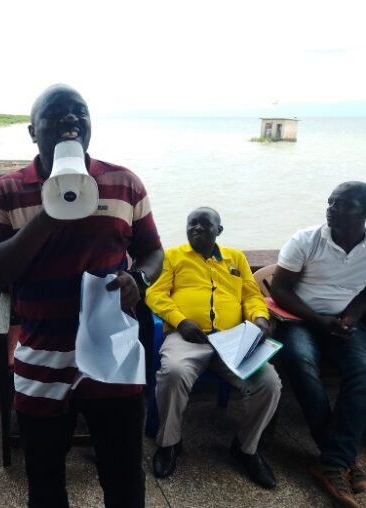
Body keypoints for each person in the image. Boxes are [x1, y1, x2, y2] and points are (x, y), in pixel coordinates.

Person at [0, 84, 164, 508]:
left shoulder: (124, 183)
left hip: (113, 357)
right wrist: (52, 209)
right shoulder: (5, 192)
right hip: (41, 358)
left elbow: (153, 252)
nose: (71, 119)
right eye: (56, 114)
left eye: (80, 112)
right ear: (32, 131)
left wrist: (139, 278)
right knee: (44, 482)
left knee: (124, 479)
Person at [145, 207, 281, 489]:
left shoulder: (236, 258)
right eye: (191, 224)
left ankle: (246, 448)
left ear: (219, 230)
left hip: (234, 340)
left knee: (269, 383)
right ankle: (170, 443)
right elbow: (155, 294)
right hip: (188, 338)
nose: (196, 228)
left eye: (205, 224)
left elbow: (251, 295)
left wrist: (259, 318)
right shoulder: (173, 256)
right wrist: (181, 321)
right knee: (173, 372)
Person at [271, 181, 366, 508]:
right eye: (330, 202)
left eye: (344, 205)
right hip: (299, 319)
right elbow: (279, 290)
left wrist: (351, 318)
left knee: (362, 369)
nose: (332, 209)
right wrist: (318, 320)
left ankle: (334, 461)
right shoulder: (306, 240)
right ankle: (340, 458)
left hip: (341, 323)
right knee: (300, 362)